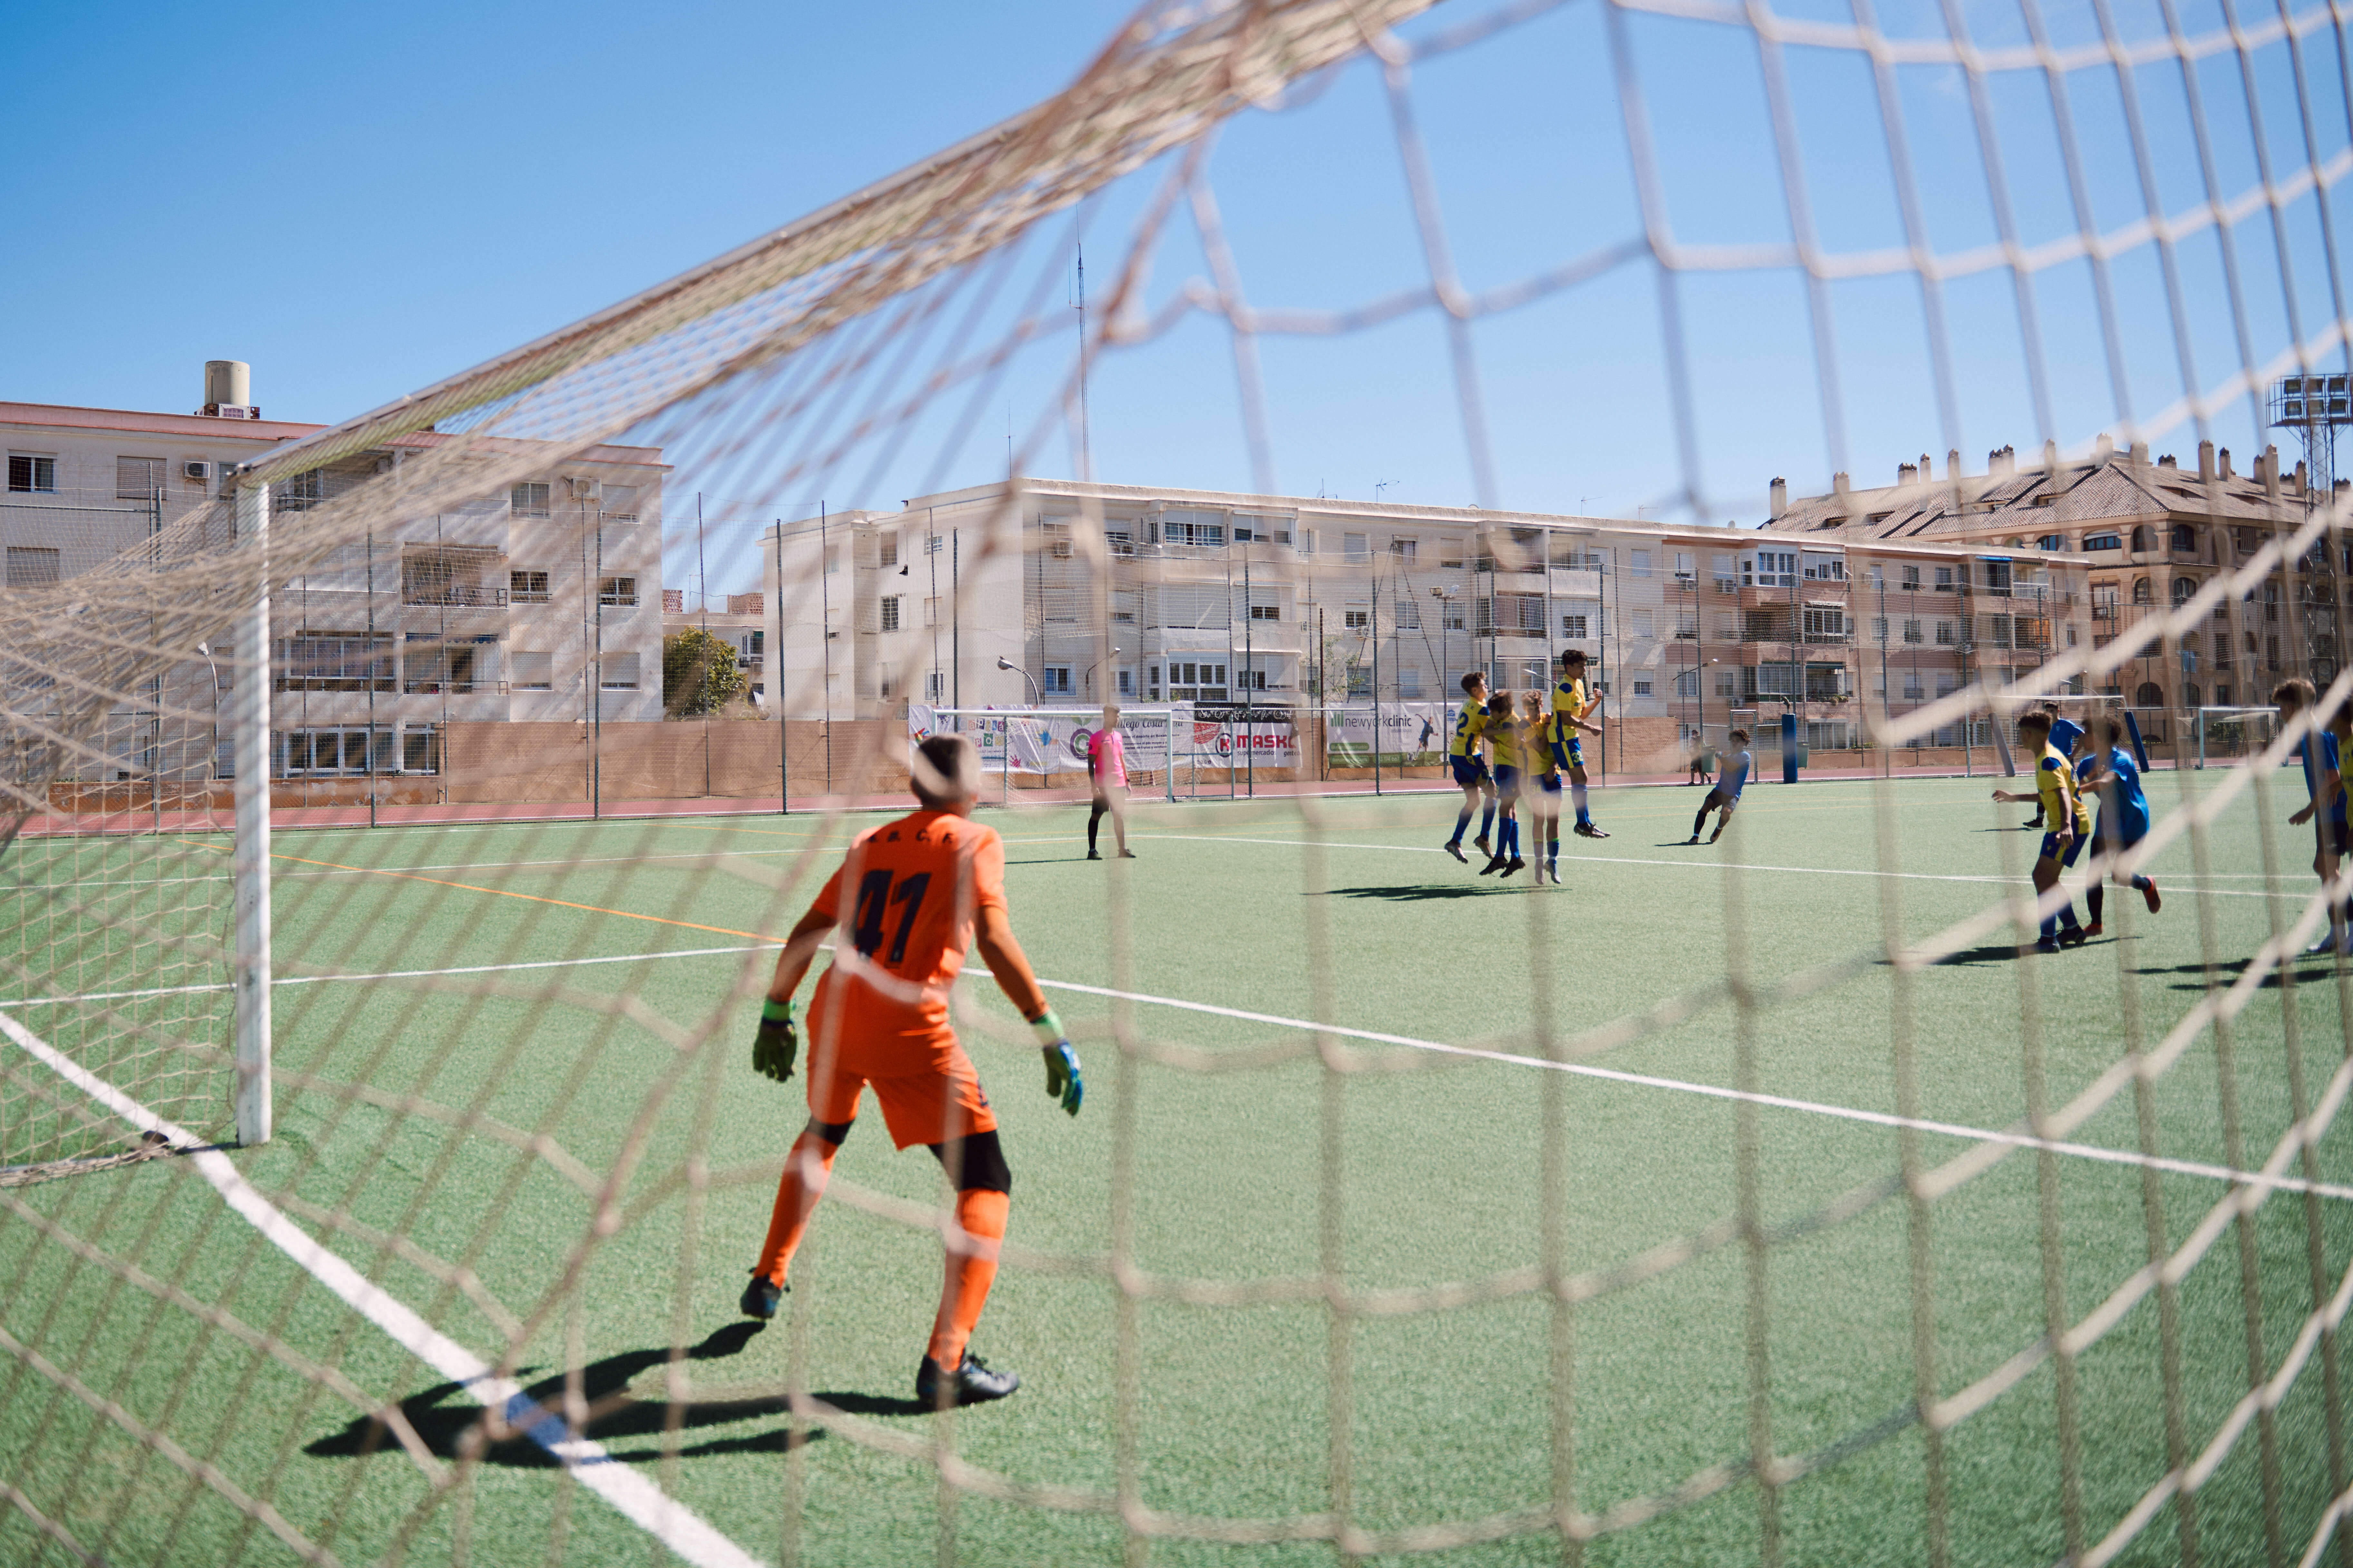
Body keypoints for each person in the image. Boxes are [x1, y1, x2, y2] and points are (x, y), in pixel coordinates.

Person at [740, 733, 1084, 1408]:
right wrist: (1047, 1029)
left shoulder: (869, 841)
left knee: (825, 1132)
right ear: (970, 788)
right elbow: (994, 937)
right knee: (985, 1179)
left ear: (914, 787)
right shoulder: (976, 840)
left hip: (834, 1016)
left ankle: (768, 1276)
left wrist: (775, 1011)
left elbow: (808, 929)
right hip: (909, 1029)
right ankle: (945, 1363)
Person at [1990, 710, 2089, 952]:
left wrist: (2066, 826)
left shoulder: (2048, 761)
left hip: (2068, 824)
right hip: (2064, 823)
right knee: (2047, 879)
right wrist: (2015, 798)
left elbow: (2063, 794)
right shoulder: (2049, 756)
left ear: (2028, 734)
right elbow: (2049, 794)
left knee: (2042, 877)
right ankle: (2072, 929)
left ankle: (2048, 939)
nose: (2019, 738)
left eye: (2020, 733)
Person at [2282, 679, 2353, 954]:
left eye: (2281, 708)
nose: (2280, 714)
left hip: (2335, 813)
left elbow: (2334, 779)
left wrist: (2309, 809)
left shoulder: (2315, 734)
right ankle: (2338, 932)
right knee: (2325, 870)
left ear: (2290, 708)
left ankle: (2345, 930)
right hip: (2331, 813)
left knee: (2326, 870)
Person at [2077, 714, 2162, 938]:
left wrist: (2078, 789)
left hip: (2133, 822)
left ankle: (2147, 885)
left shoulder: (2122, 759)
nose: (2082, 737)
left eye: (2087, 733)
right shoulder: (2086, 764)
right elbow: (2076, 787)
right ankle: (2096, 924)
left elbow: (2105, 782)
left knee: (2119, 876)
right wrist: (2086, 778)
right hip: (2106, 823)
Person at [1552, 649, 1609, 839]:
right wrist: (1591, 728)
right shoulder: (1564, 688)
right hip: (1562, 738)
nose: (1584, 670)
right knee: (1580, 778)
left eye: (1585, 666)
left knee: (1581, 778)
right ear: (1568, 667)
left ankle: (1584, 823)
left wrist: (1597, 701)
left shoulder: (1578, 684)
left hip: (1571, 737)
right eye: (1580, 666)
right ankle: (1582, 824)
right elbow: (1567, 719)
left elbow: (1581, 715)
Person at [1443, 672, 1498, 863]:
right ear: (1475, 690)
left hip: (1457, 756)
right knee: (1493, 793)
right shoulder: (1482, 708)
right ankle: (1484, 837)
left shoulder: (1469, 704)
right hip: (1469, 757)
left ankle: (1455, 841)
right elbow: (1491, 734)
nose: (1487, 687)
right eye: (1484, 685)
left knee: (1474, 801)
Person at [1481, 689, 1526, 877]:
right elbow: (1487, 732)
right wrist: (1498, 729)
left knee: (1504, 809)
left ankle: (1500, 857)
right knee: (1511, 810)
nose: (1491, 715)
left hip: (1514, 769)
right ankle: (1516, 857)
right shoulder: (1503, 721)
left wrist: (1497, 730)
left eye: (1494, 712)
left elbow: (1489, 734)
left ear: (1504, 712)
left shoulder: (1512, 723)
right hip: (1503, 766)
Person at [1521, 690, 1564, 882]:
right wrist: (1547, 727)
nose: (1534, 713)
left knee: (1554, 819)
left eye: (1536, 709)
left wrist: (1554, 767)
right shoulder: (1524, 724)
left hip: (1554, 775)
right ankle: (1539, 864)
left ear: (1541, 706)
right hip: (1535, 777)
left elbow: (1561, 746)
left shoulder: (1551, 719)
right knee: (1539, 819)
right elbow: (1540, 747)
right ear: (1525, 709)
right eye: (1530, 710)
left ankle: (1552, 862)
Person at [1086, 704, 1135, 860]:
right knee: (1096, 816)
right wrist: (1094, 786)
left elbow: (1121, 760)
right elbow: (1090, 764)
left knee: (1118, 816)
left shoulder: (1119, 736)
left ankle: (1122, 850)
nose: (1117, 719)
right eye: (1115, 716)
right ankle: (1092, 851)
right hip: (1103, 785)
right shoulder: (1096, 738)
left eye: (1119, 717)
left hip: (1119, 784)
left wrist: (1127, 781)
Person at [1687, 728, 1751, 844]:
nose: (1734, 743)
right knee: (1705, 807)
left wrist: (1721, 758)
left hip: (1733, 794)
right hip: (1719, 790)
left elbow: (1731, 767)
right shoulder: (1729, 757)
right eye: (1733, 741)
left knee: (1727, 812)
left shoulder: (1745, 756)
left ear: (1744, 743)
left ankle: (1719, 828)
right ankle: (1695, 837)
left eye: (1737, 741)